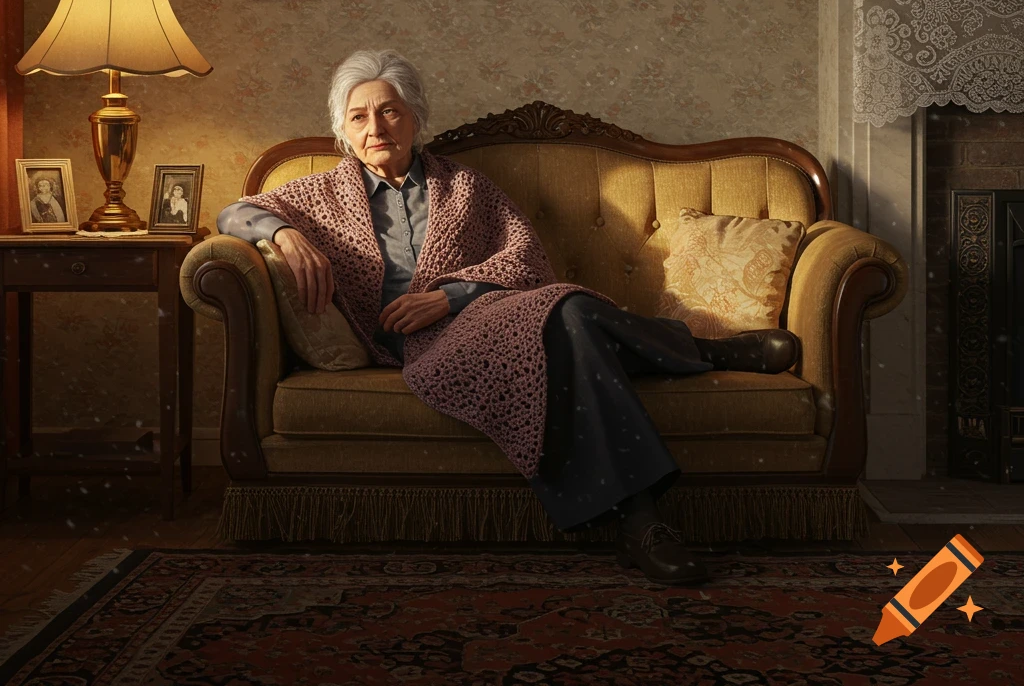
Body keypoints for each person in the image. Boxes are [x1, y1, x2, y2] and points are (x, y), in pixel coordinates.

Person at [217, 50, 800, 586]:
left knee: (568, 309)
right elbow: (235, 212)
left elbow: (525, 257)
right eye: (360, 116)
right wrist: (284, 231)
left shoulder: (464, 185)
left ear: (415, 116)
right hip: (419, 347)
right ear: (343, 130)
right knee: (572, 315)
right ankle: (706, 355)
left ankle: (640, 522)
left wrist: (451, 296)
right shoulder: (318, 194)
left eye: (390, 112)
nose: (376, 128)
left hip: (487, 312)